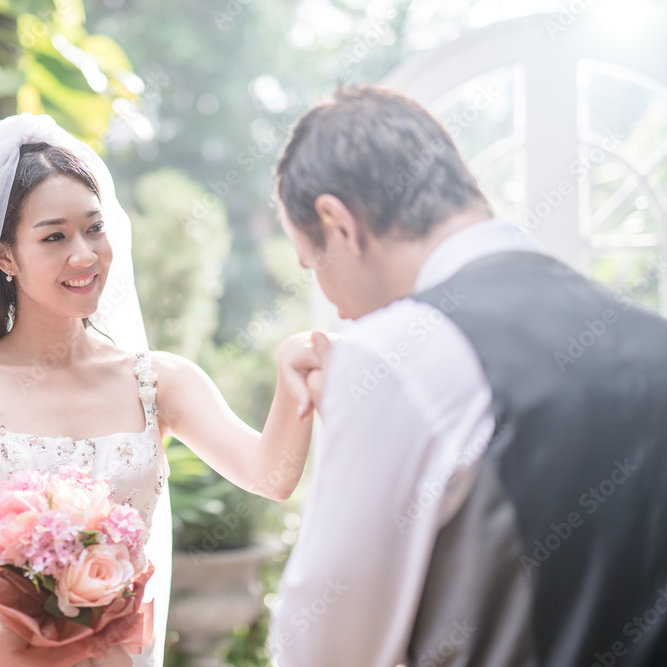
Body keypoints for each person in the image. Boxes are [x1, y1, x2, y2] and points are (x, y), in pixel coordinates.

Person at [0, 113, 317, 667]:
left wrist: (295, 375)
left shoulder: (161, 382)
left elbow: (271, 476)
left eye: (94, 228)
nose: (85, 254)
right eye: (54, 236)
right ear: (4, 255)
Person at [270, 85, 667, 666]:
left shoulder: (392, 356)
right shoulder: (648, 337)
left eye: (313, 266)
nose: (335, 309)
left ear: (339, 225)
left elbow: (323, 651)